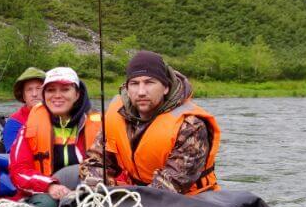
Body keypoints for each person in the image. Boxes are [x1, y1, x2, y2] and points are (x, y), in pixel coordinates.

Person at [80, 50, 220, 194]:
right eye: (134, 83)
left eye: (149, 83)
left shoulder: (191, 126)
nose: (141, 91)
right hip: (137, 194)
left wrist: (122, 197)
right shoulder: (115, 116)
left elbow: (171, 186)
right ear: (127, 89)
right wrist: (98, 189)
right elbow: (95, 161)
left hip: (189, 201)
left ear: (166, 87)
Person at [8, 66, 102, 206]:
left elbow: (114, 168)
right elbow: (18, 171)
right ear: (44, 95)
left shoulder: (99, 126)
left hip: (90, 191)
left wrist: (87, 190)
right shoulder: (29, 127)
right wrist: (50, 186)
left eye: (65, 89)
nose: (57, 95)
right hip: (46, 192)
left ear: (77, 94)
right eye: (51, 90)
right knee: (47, 205)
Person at [2, 67, 46, 151]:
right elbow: (13, 157)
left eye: (39, 88)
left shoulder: (59, 116)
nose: (34, 94)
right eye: (29, 90)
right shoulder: (14, 123)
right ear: (23, 96)